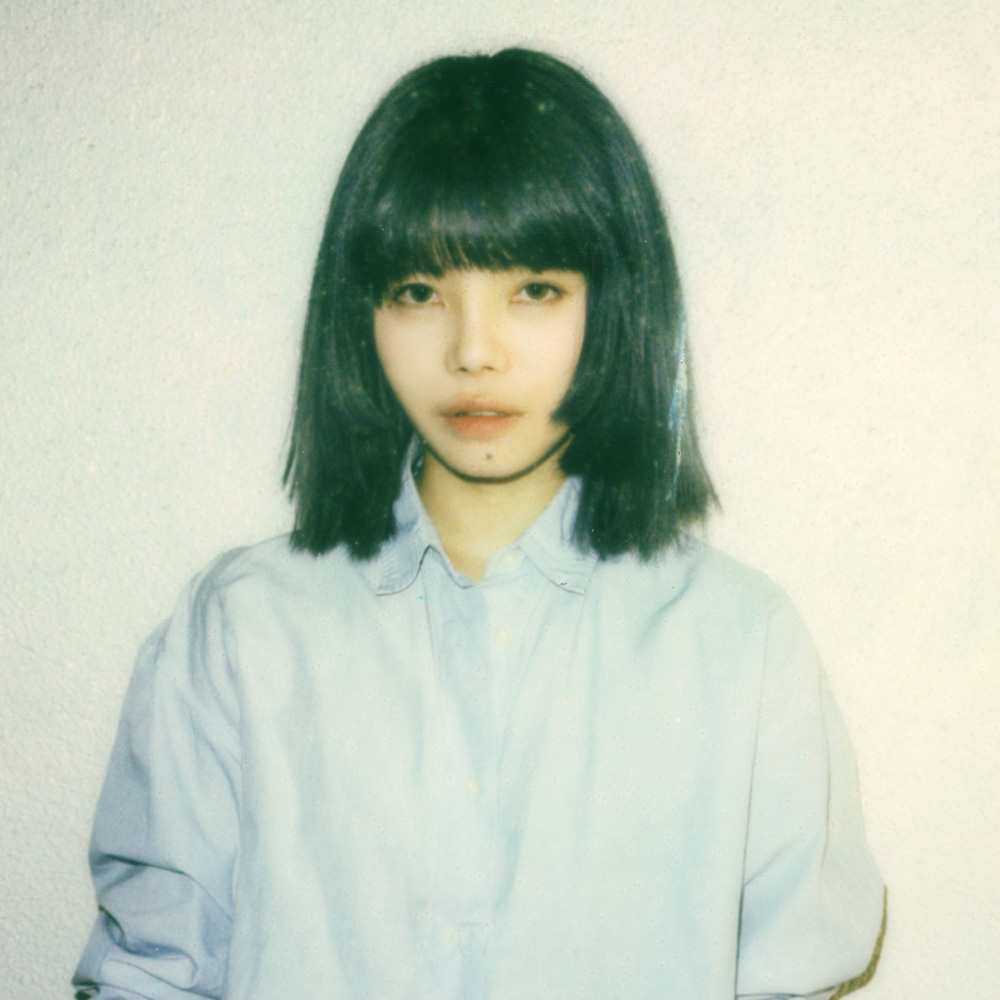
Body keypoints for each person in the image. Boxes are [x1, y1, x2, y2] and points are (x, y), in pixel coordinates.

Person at [73, 48, 884, 1000]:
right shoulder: (242, 629)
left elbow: (795, 971)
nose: (472, 352)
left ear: (616, 302)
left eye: (533, 289)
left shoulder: (739, 643)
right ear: (361, 314)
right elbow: (151, 969)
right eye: (418, 292)